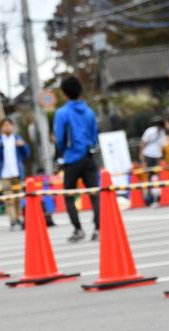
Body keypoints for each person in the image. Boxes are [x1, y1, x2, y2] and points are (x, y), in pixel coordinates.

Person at [53, 76, 100, 242]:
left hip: (72, 158)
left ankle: (78, 229)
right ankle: (98, 228)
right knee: (95, 193)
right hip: (89, 156)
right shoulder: (89, 112)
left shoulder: (62, 113)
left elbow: (59, 139)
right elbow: (95, 134)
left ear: (64, 94)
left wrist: (61, 155)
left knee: (69, 195)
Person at [0, 118, 30, 230]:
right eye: (4, 125)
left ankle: (18, 218)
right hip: (4, 174)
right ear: (1, 128)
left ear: (12, 126)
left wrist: (23, 146)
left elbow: (27, 155)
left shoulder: (17, 139)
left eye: (8, 125)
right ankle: (13, 220)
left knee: (18, 198)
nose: (7, 127)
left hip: (17, 173)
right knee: (9, 198)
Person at [139, 119, 166, 206]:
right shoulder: (150, 131)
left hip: (157, 156)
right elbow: (143, 142)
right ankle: (149, 197)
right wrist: (141, 155)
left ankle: (158, 196)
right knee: (149, 176)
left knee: (157, 176)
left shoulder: (162, 133)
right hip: (148, 154)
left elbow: (162, 146)